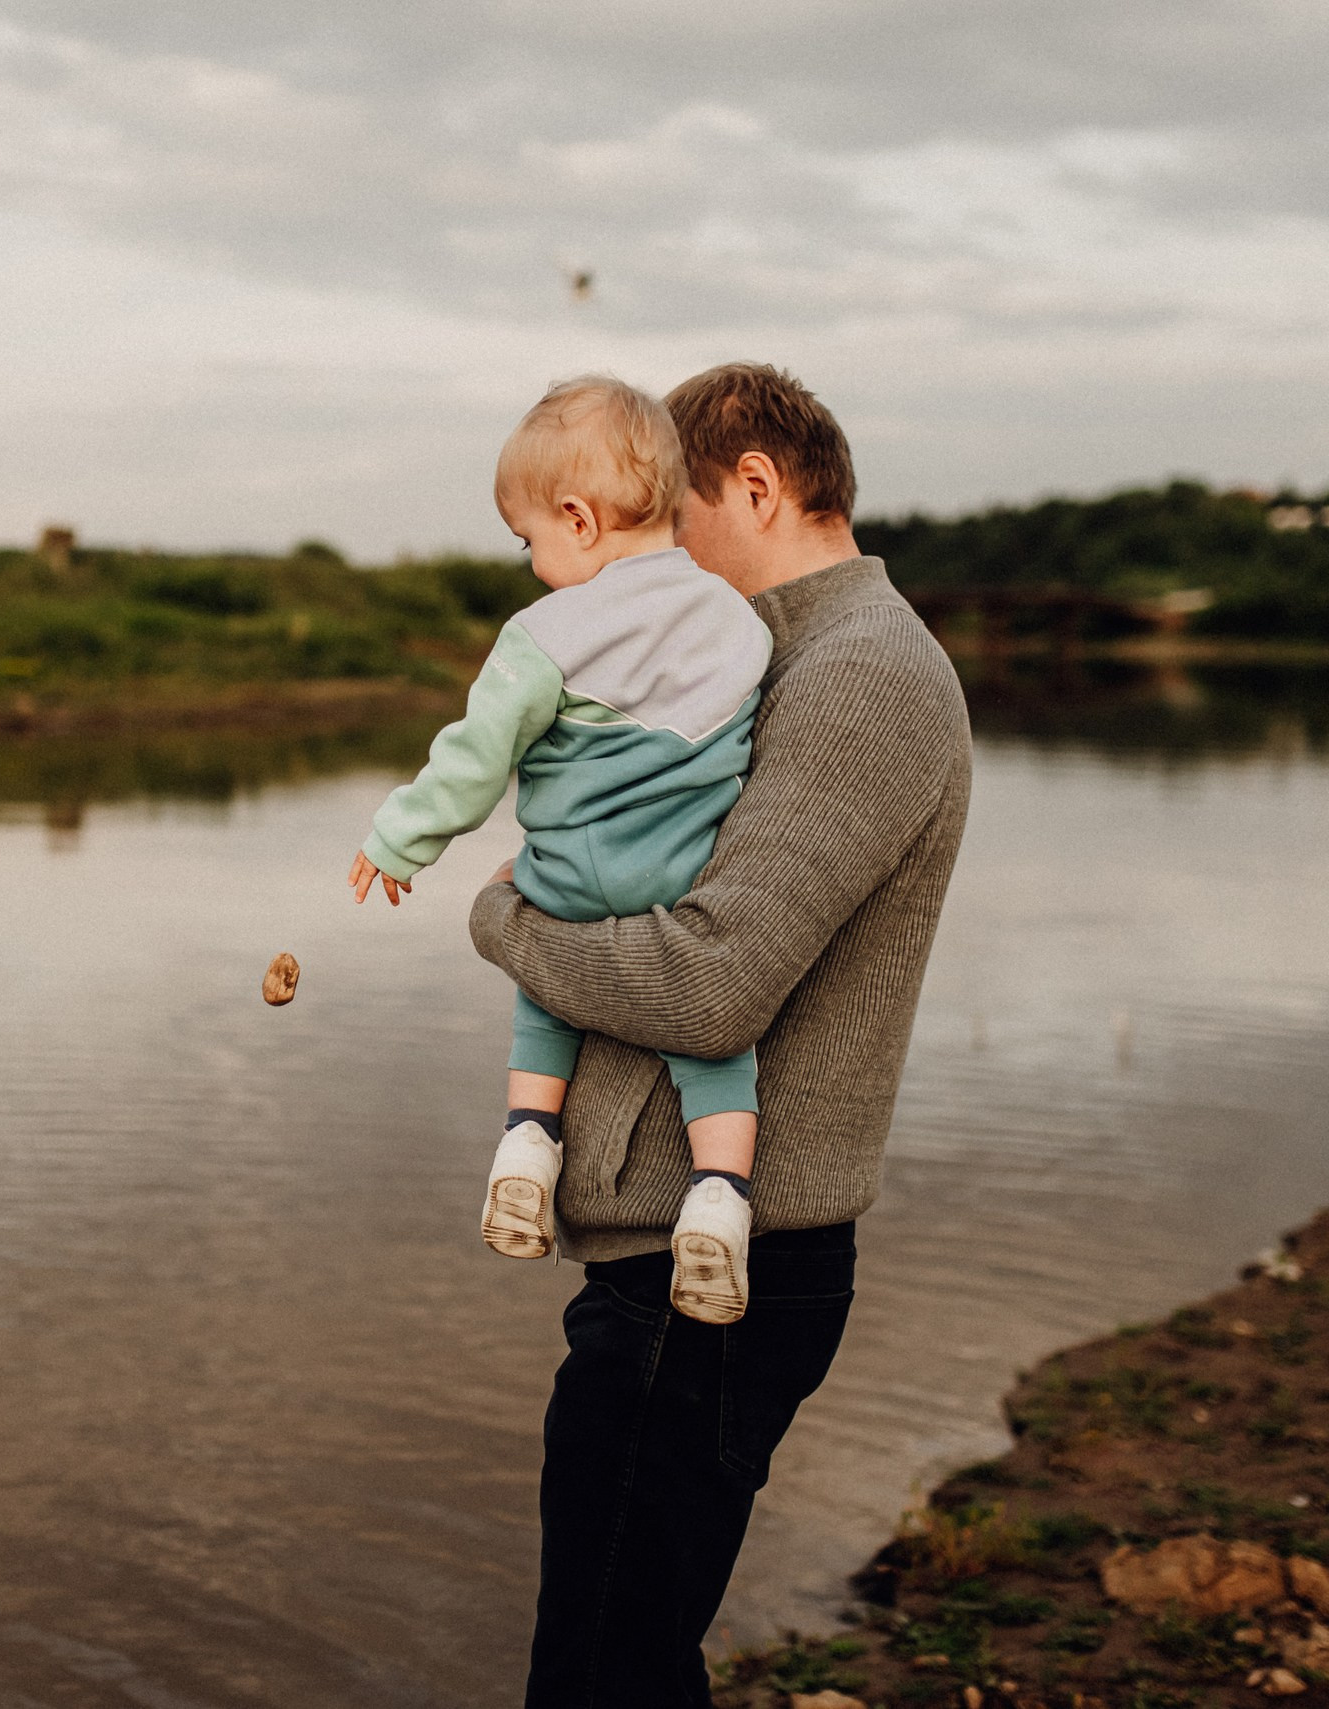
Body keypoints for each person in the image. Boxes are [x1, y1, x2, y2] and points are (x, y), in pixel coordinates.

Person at [469, 363, 972, 1707]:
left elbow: (709, 988)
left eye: (664, 522)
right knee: (623, 1658)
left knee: (596, 1672)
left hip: (722, 1275)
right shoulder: (768, 657)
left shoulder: (862, 677)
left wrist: (505, 922)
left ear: (752, 485)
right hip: (677, 1258)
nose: (644, 564)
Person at [347, 374, 774, 1323]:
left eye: (530, 540)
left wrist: (398, 840)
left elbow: (472, 763)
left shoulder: (543, 634)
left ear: (578, 519)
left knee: (547, 990)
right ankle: (719, 1198)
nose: (533, 565)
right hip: (686, 880)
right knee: (717, 1051)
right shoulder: (742, 625)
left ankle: (528, 1145)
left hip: (569, 877)